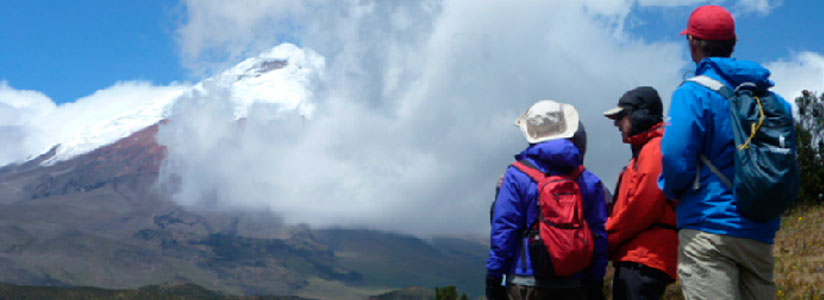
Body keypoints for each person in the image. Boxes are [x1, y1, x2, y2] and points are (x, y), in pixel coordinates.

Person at [659, 5, 795, 299]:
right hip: (759, 230)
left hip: (708, 224)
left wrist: (672, 191)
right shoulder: (773, 100)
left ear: (693, 42)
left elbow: (675, 157)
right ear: (733, 43)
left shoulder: (693, 92)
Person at [486, 100, 608, 300]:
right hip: (575, 283)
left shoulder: (517, 175)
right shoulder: (588, 180)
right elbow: (600, 233)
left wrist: (493, 276)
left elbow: (505, 229)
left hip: (526, 282)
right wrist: (596, 279)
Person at [603, 87, 677, 300]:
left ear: (639, 115)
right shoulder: (648, 149)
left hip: (644, 258)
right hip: (640, 257)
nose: (617, 124)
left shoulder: (655, 148)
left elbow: (644, 205)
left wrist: (608, 236)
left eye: (621, 116)